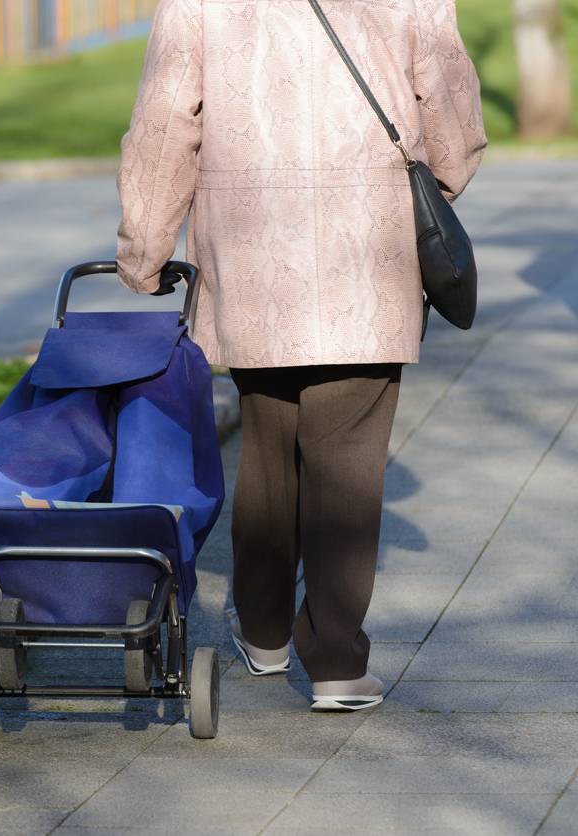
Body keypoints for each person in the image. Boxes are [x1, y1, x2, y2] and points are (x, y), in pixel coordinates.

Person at [116, 0, 486, 709]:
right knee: (347, 456)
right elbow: (446, 86)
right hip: (367, 241)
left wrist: (143, 246)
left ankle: (262, 630)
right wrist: (444, 172)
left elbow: (167, 120)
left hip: (253, 246)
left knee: (266, 441)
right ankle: (338, 661)